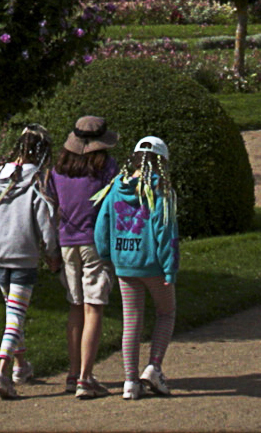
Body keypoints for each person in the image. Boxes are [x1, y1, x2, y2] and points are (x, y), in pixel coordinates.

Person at [0, 123, 57, 399]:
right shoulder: (36, 182)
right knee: (15, 317)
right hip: (22, 258)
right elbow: (46, 223)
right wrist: (52, 253)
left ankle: (20, 366)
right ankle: (2, 372)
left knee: (12, 313)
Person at [93, 134, 181, 401]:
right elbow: (165, 230)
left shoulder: (115, 187)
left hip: (124, 264)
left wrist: (106, 254)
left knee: (131, 321)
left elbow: (101, 224)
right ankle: (154, 367)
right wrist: (170, 268)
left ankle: (130, 381)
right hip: (152, 264)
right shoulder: (160, 190)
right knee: (166, 313)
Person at [52, 115, 119, 399]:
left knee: (75, 306)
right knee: (94, 308)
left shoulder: (58, 169)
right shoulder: (106, 167)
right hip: (95, 241)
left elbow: (53, 204)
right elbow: (114, 203)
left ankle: (73, 373)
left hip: (67, 242)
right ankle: (85, 378)